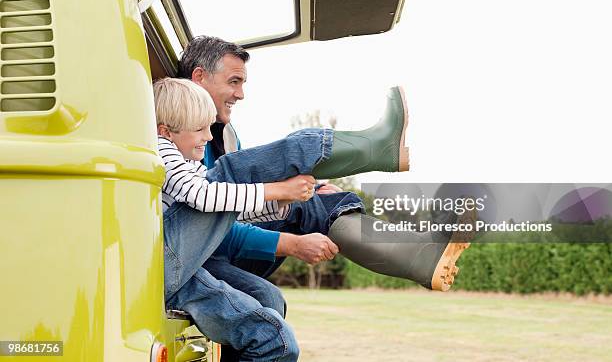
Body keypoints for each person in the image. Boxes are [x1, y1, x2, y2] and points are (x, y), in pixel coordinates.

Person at [177, 35, 472, 293]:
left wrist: (304, 192)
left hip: (220, 246)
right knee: (259, 172)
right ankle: (378, 148)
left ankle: (422, 255)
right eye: (234, 82)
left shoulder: (225, 136)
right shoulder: (170, 133)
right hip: (193, 253)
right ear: (199, 77)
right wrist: (291, 239)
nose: (241, 94)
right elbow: (210, 212)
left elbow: (239, 207)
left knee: (316, 202)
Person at [154, 77, 418, 361]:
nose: (208, 137)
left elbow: (222, 211)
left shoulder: (186, 161)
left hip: (181, 269)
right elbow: (204, 196)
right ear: (165, 131)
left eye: (209, 128)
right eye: (200, 129)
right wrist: (275, 190)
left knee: (274, 335)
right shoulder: (160, 148)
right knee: (231, 173)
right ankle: (366, 148)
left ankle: (412, 251)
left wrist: (283, 201)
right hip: (161, 264)